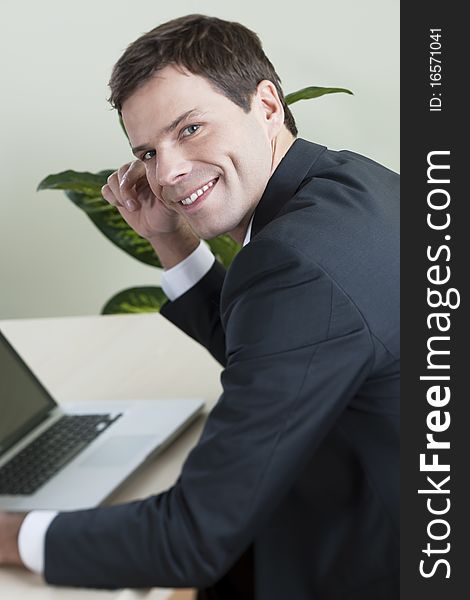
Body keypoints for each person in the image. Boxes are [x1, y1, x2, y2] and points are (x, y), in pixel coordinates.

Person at [0, 14, 400, 599]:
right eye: (147, 152)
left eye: (189, 129)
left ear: (266, 105)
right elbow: (281, 352)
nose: (167, 173)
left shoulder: (296, 263)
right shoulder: (352, 183)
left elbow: (190, 540)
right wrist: (170, 237)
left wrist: (11, 536)